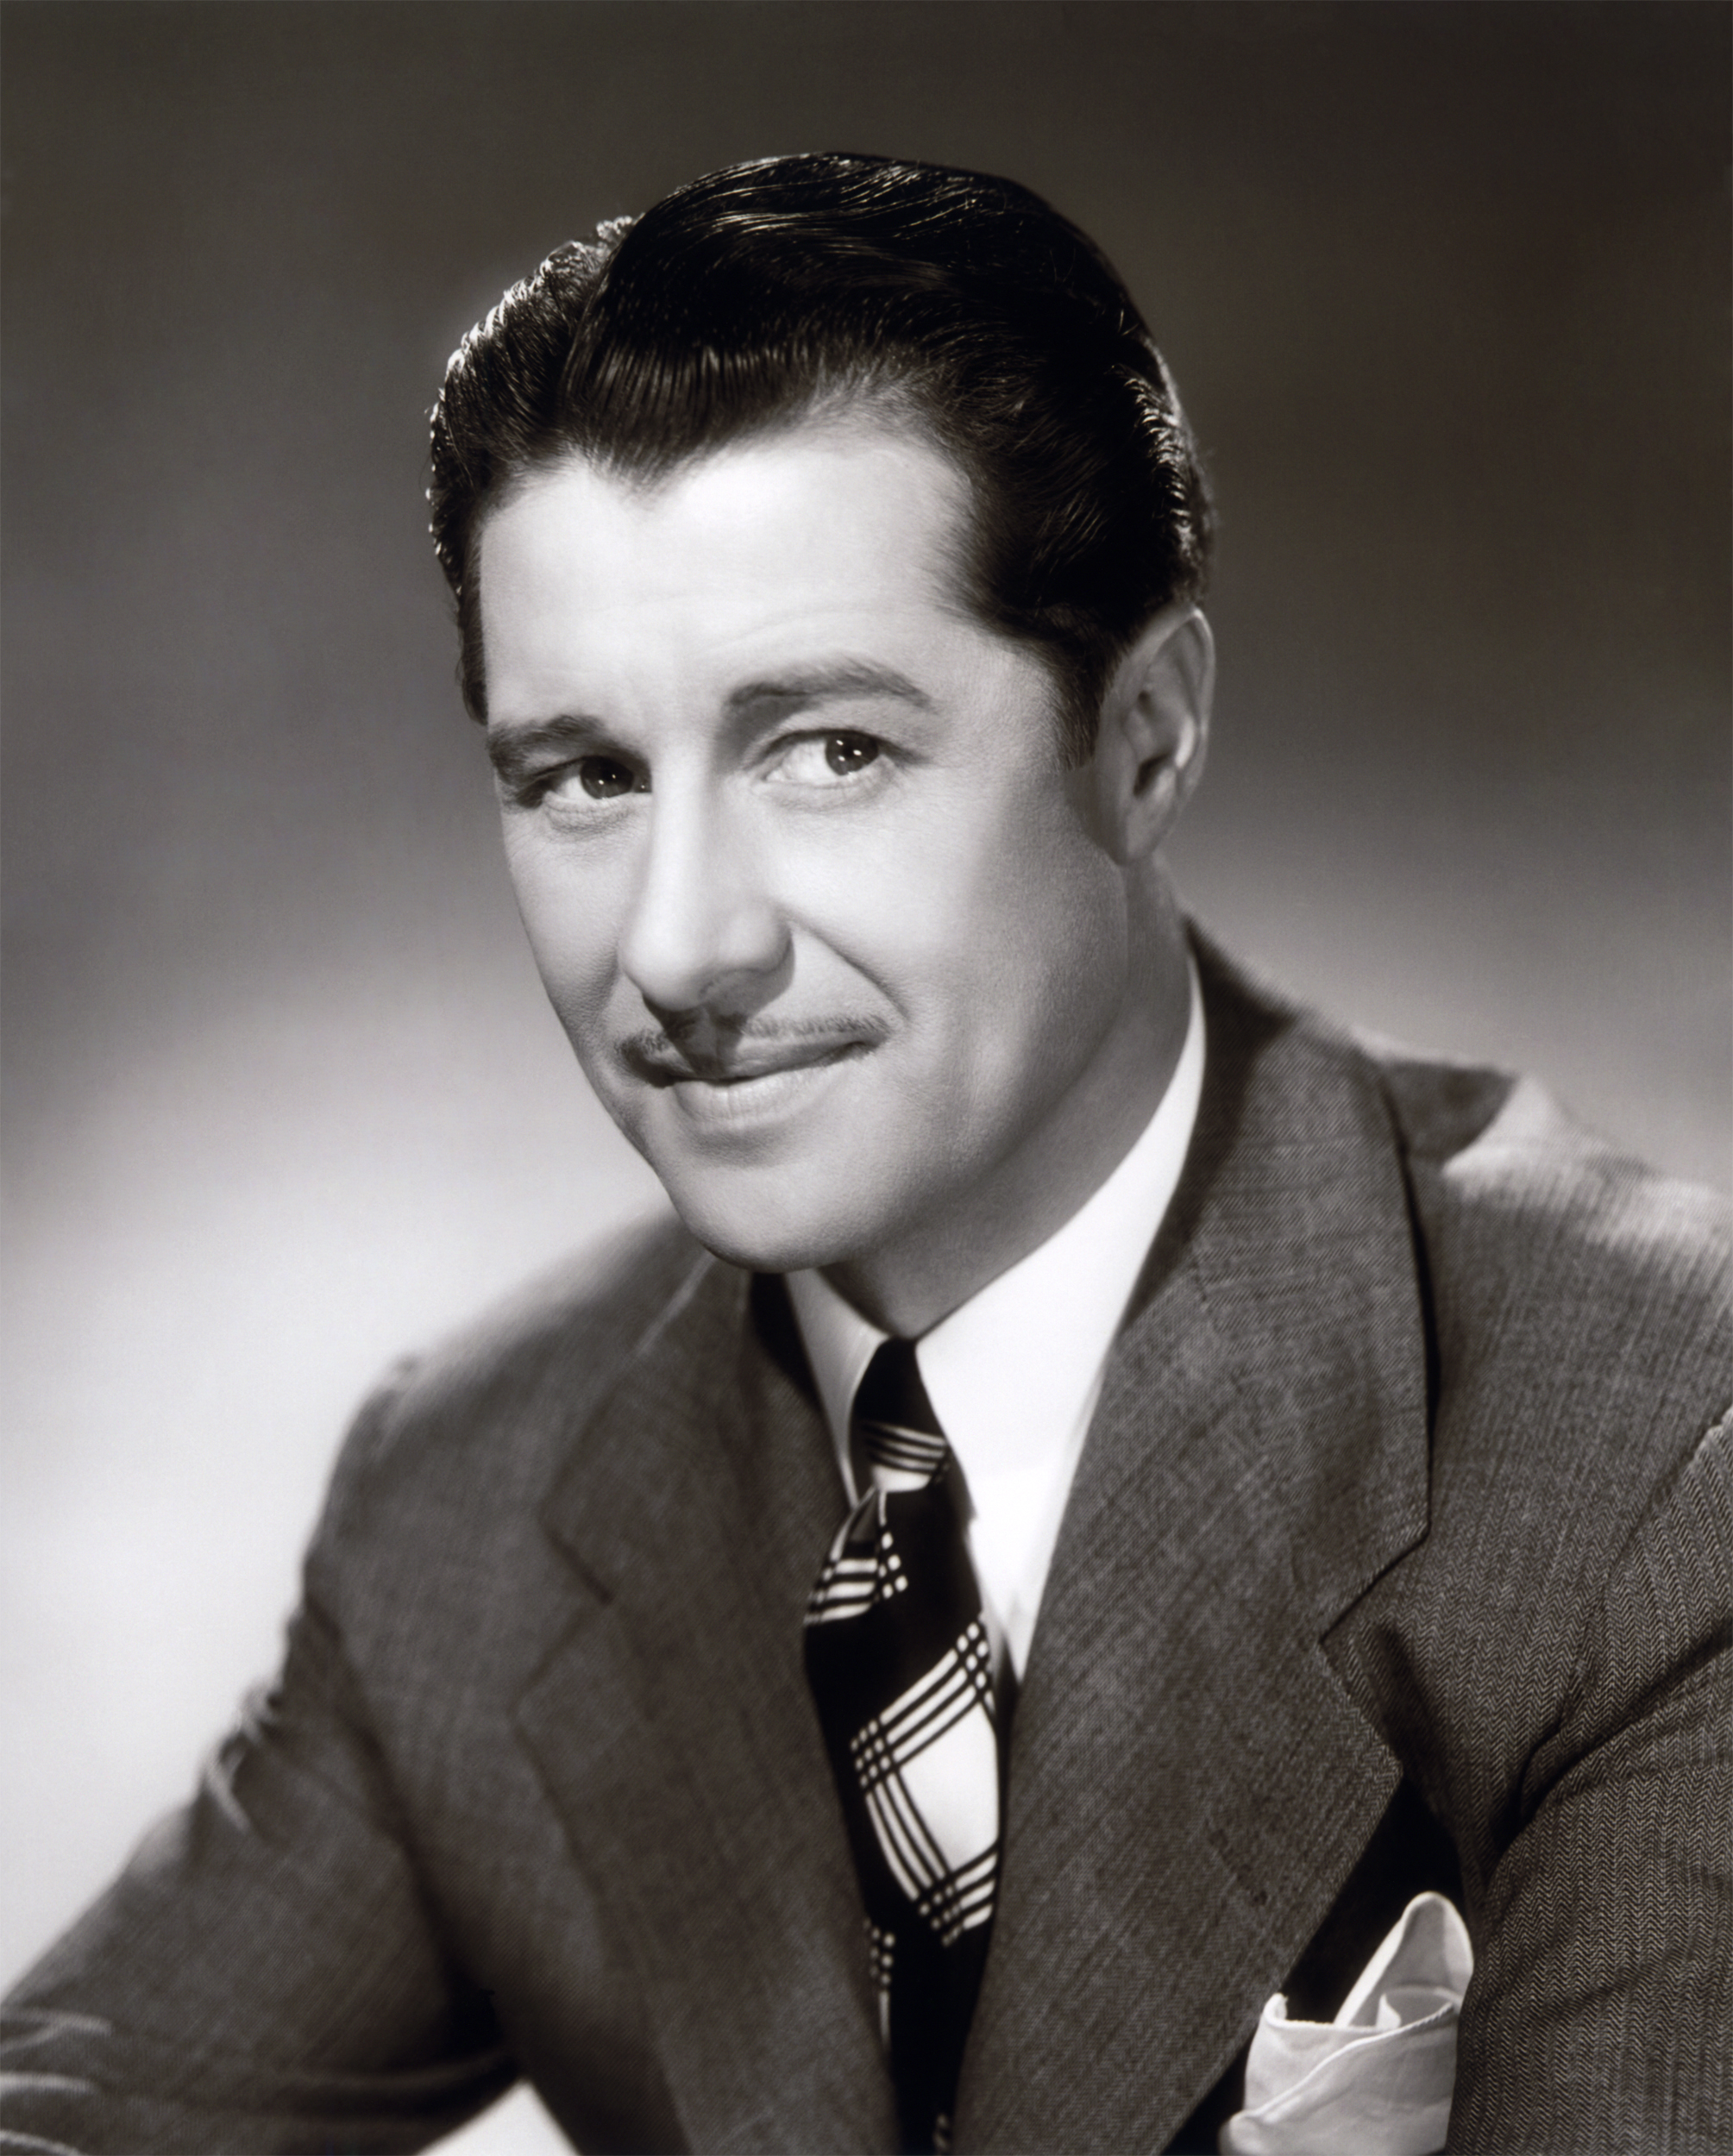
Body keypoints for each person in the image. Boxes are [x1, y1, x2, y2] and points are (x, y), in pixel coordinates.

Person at [3, 154, 1728, 2156]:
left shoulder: (1657, 1458)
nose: (680, 948)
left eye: (830, 750)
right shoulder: (469, 1504)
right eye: (585, 775)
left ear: (1146, 738)